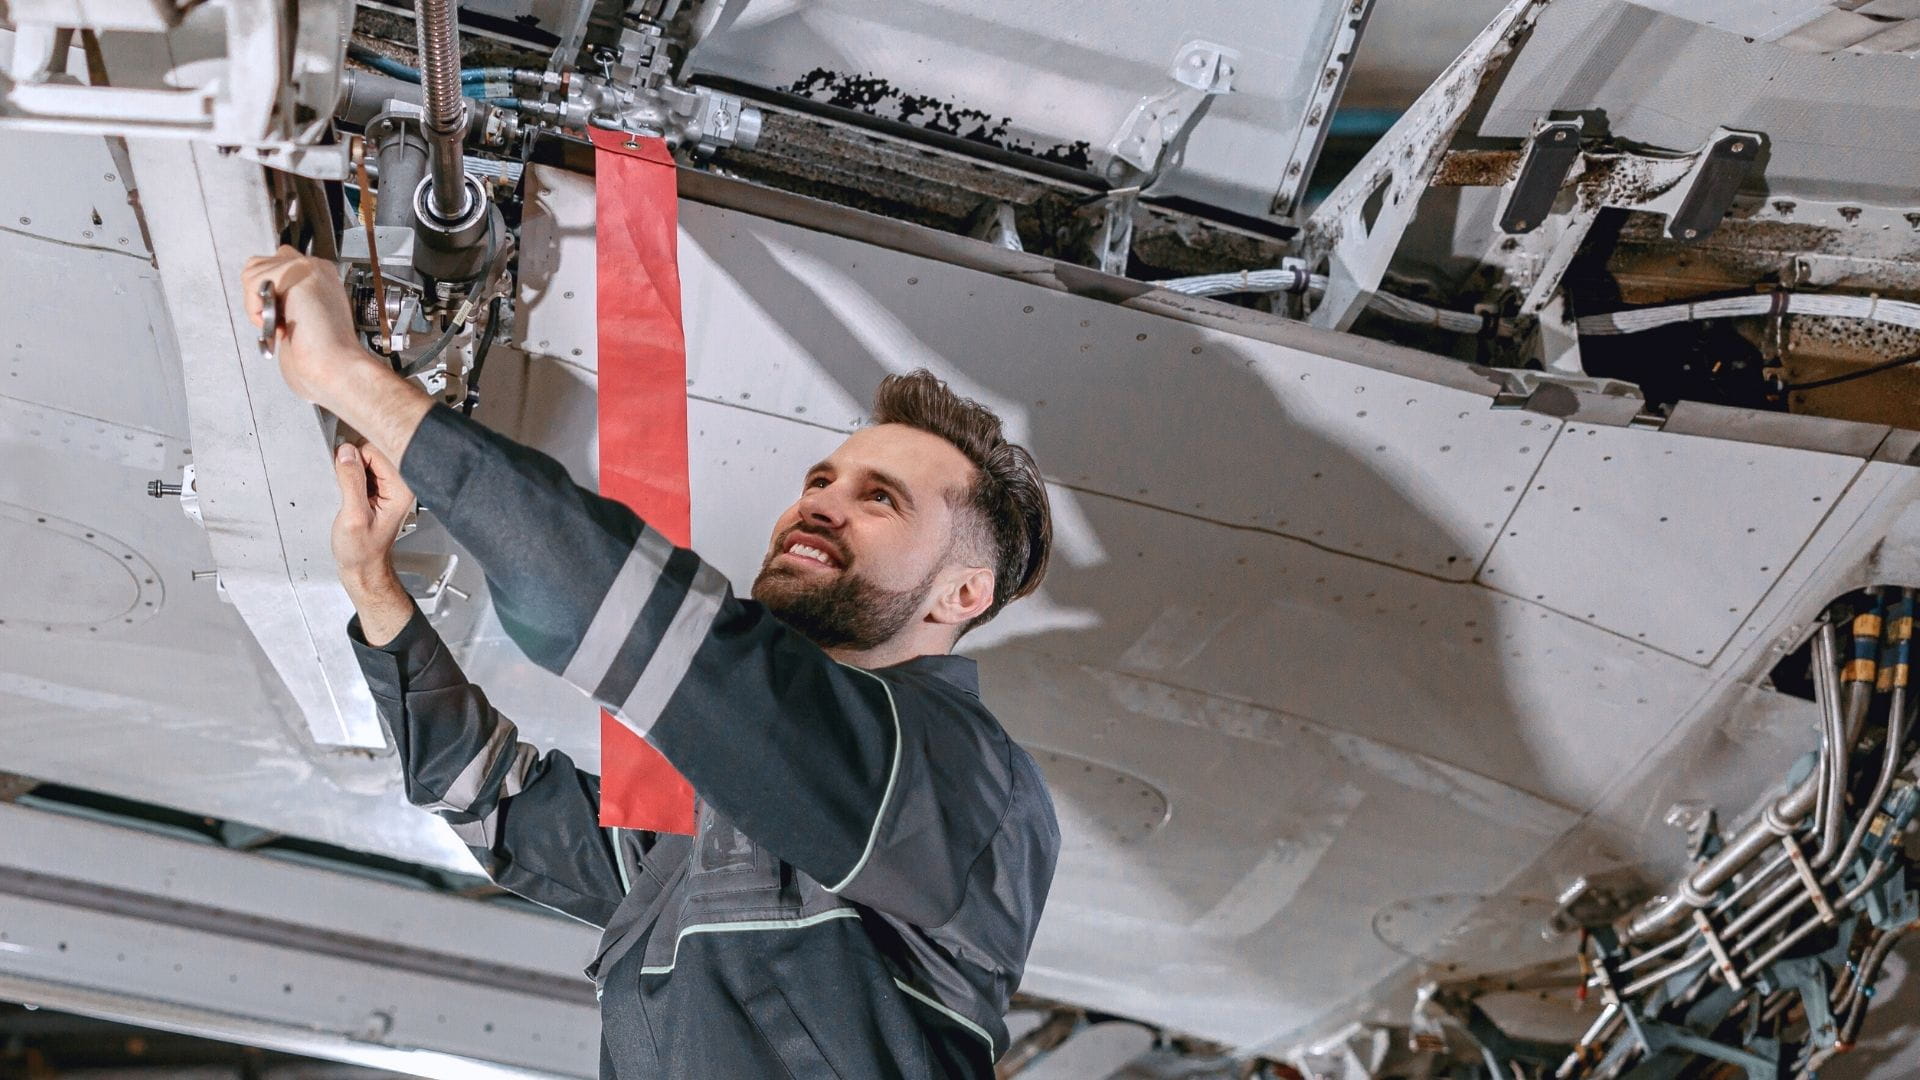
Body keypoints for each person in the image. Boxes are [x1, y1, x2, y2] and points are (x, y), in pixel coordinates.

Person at [240, 247, 1060, 1079]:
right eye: (822, 479)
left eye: (878, 496)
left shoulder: (958, 781)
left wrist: (352, 380)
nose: (819, 501)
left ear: (960, 595)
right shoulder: (749, 824)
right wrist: (372, 584)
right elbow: (503, 809)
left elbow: (647, 626)